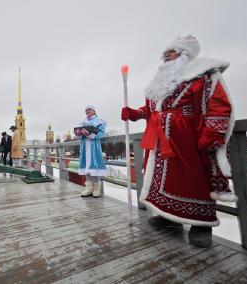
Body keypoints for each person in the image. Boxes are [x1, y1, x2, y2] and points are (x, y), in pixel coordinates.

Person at [121, 35, 236, 247]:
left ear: (184, 54)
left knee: (193, 179)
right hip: (159, 140)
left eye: (171, 52)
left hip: (187, 139)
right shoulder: (162, 82)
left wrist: (212, 134)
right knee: (162, 179)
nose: (165, 57)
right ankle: (168, 216)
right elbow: (152, 110)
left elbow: (218, 104)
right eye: (165, 54)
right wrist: (134, 113)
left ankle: (201, 224)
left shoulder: (203, 76)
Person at [75, 105, 106, 198]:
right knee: (87, 167)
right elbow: (78, 135)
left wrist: (91, 134)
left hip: (94, 147)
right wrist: (79, 133)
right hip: (85, 147)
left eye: (89, 109)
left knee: (94, 166)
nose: (87, 111)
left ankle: (96, 189)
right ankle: (89, 188)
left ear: (94, 111)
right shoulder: (83, 122)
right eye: (86, 110)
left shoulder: (99, 121)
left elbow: (101, 133)